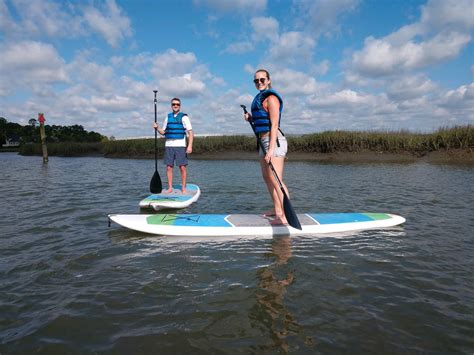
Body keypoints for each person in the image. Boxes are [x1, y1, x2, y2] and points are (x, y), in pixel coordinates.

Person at [244, 69, 289, 225]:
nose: (259, 83)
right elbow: (261, 121)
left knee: (277, 180)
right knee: (267, 177)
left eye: (262, 80)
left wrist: (270, 150)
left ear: (268, 80)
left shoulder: (271, 98)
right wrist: (250, 118)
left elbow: (275, 124)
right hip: (262, 141)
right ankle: (277, 210)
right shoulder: (259, 98)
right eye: (256, 81)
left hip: (274, 141)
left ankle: (284, 216)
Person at [153, 98, 193, 193]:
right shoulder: (168, 117)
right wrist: (157, 128)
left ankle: (183, 188)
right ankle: (170, 188)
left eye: (177, 104)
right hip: (169, 145)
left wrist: (190, 146)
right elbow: (163, 132)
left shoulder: (184, 117)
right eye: (174, 104)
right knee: (169, 167)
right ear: (171, 106)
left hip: (181, 146)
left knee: (182, 167)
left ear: (180, 106)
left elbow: (190, 133)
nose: (175, 106)